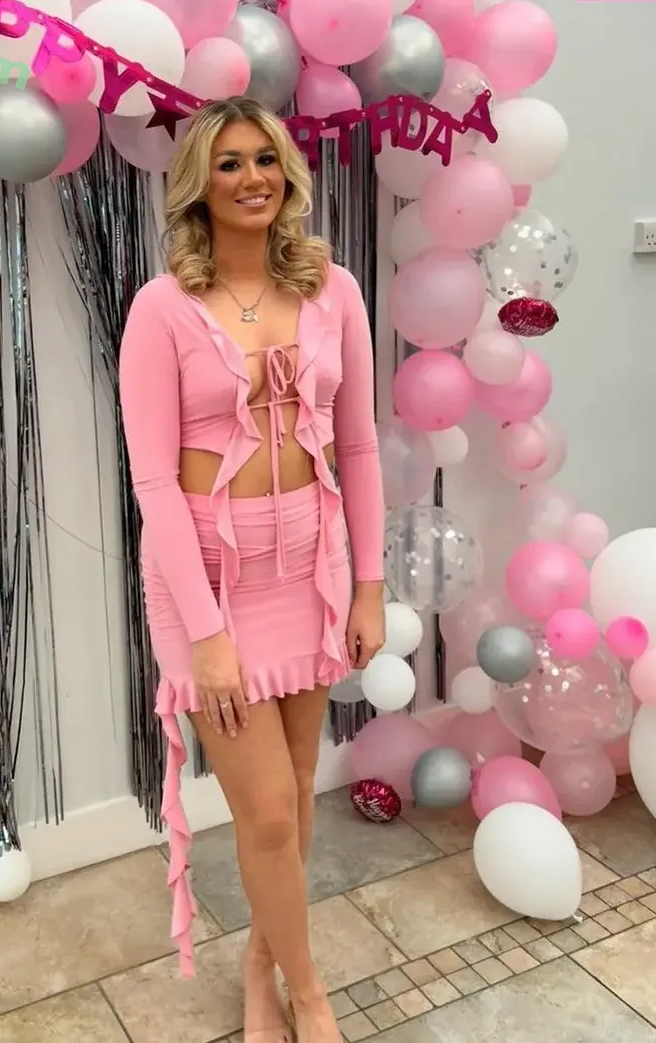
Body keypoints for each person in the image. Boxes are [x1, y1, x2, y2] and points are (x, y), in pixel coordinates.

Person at [118, 96, 386, 1043]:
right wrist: (207, 634)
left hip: (310, 564)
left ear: (287, 172)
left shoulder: (334, 289)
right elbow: (153, 481)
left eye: (264, 159)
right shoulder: (161, 308)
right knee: (266, 813)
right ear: (200, 184)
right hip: (210, 579)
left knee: (299, 792)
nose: (251, 179)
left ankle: (260, 968)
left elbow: (358, 446)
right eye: (228, 163)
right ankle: (310, 995)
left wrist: (367, 584)